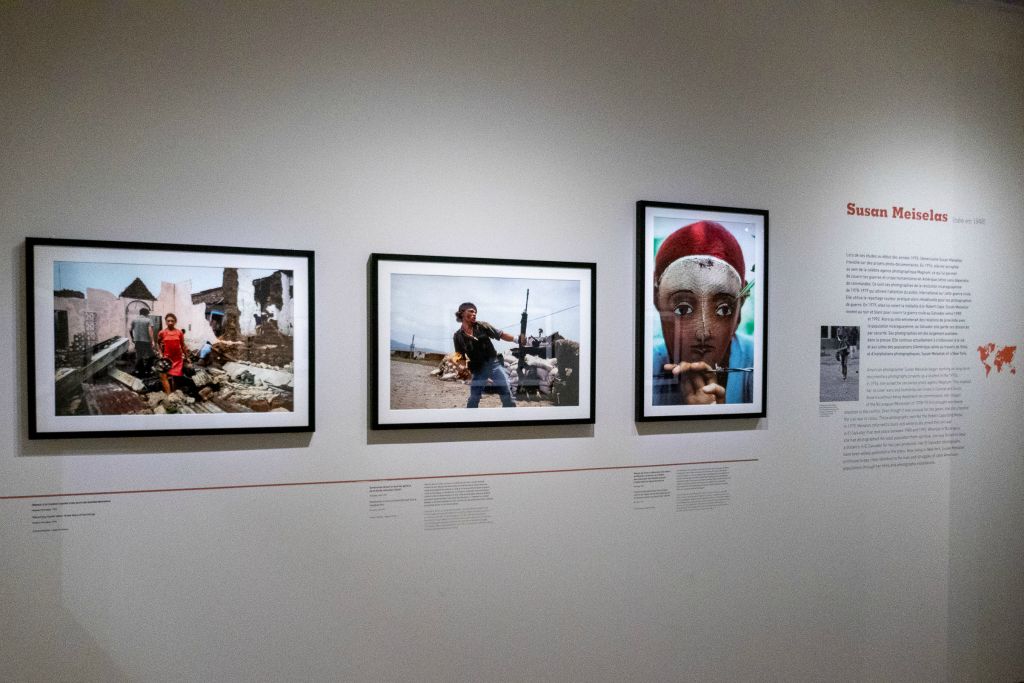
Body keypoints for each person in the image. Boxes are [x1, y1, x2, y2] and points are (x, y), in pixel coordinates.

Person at [651, 221, 754, 405]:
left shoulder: (757, 364)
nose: (703, 333)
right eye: (683, 309)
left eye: (723, 310)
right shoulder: (643, 366)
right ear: (656, 298)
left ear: (739, 309)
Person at [452, 302, 523, 408]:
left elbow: (501, 334)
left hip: (494, 364)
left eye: (475, 312)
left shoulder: (482, 326)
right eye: (471, 311)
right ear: (462, 313)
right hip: (478, 368)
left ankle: (510, 417)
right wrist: (465, 374)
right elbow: (459, 357)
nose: (474, 314)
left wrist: (517, 339)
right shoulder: (458, 336)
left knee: (506, 391)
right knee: (474, 397)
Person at [156, 313, 190, 393]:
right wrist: (160, 353)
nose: (170, 322)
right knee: (163, 376)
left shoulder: (179, 333)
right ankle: (169, 395)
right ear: (166, 322)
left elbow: (182, 345)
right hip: (166, 358)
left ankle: (175, 394)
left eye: (172, 321)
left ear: (175, 322)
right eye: (168, 321)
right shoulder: (162, 332)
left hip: (177, 359)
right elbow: (157, 343)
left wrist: (187, 357)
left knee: (175, 377)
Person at [130, 307, 156, 376]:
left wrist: (133, 338)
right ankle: (147, 370)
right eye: (148, 314)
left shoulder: (134, 320)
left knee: (139, 356)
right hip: (146, 341)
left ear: (140, 313)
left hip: (137, 341)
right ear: (146, 313)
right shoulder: (148, 320)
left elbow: (130, 330)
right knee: (152, 356)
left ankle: (140, 371)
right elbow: (150, 331)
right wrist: (153, 341)